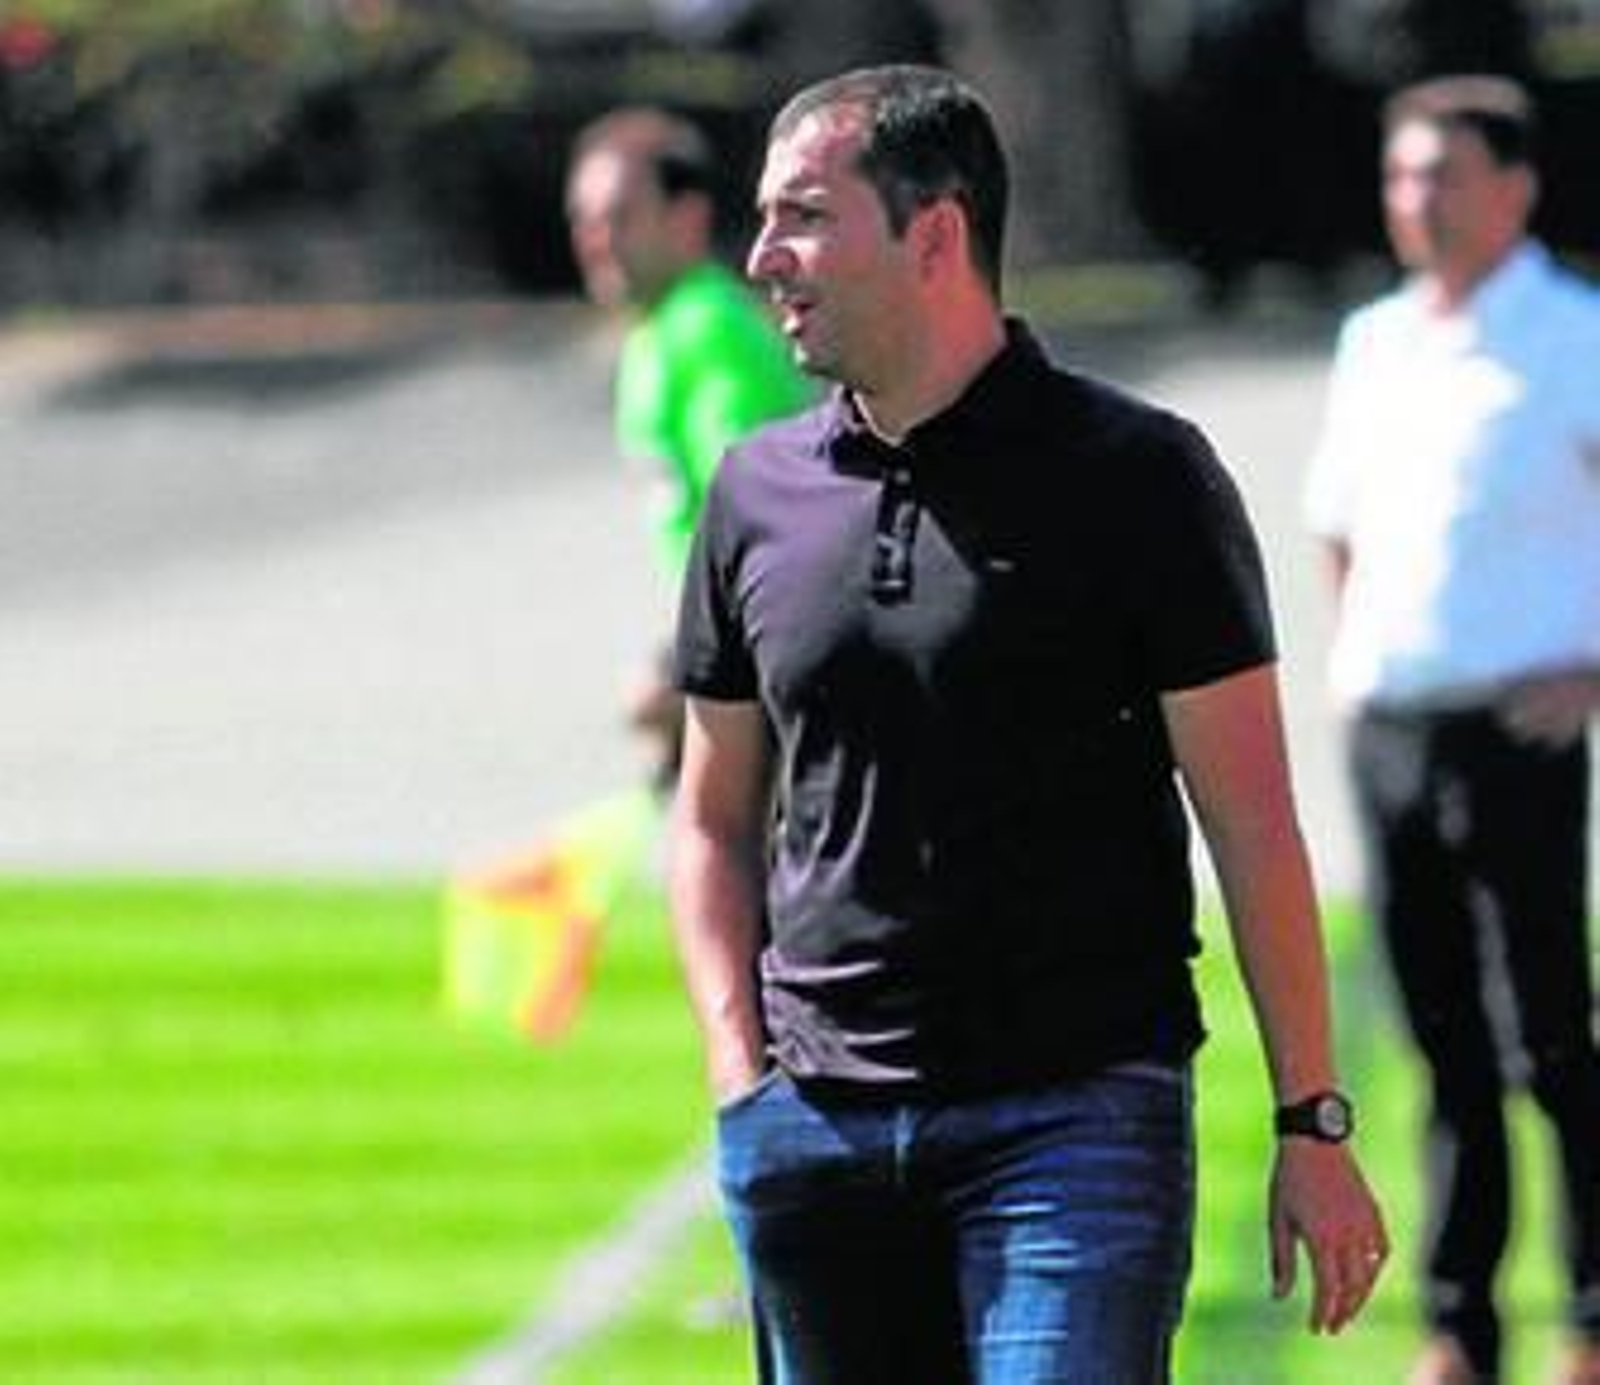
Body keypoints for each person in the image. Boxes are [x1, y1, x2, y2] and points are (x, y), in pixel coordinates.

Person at [669, 63, 1387, 1382]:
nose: (763, 256)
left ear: (933, 233)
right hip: (813, 1136)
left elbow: (1250, 815)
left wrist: (1314, 1121)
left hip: (1074, 1122)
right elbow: (712, 815)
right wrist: (740, 1083)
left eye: (804, 217)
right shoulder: (753, 493)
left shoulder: (1140, 476)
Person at [1304, 74, 1600, 1385]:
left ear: (1515, 188)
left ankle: (1591, 1315)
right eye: (1402, 175)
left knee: (1549, 1034)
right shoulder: (1376, 340)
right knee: (1440, 1049)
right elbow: (1341, 528)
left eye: (1445, 175)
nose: (1417, 199)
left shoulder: (1573, 332)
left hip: (1519, 731)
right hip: (1394, 731)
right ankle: (1459, 1325)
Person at [564, 107, 813, 788]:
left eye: (620, 215)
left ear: (688, 217)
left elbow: (766, 521)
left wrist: (689, 669)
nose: (597, 240)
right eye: (584, 219)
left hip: (777, 677)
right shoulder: (655, 336)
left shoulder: (708, 331)